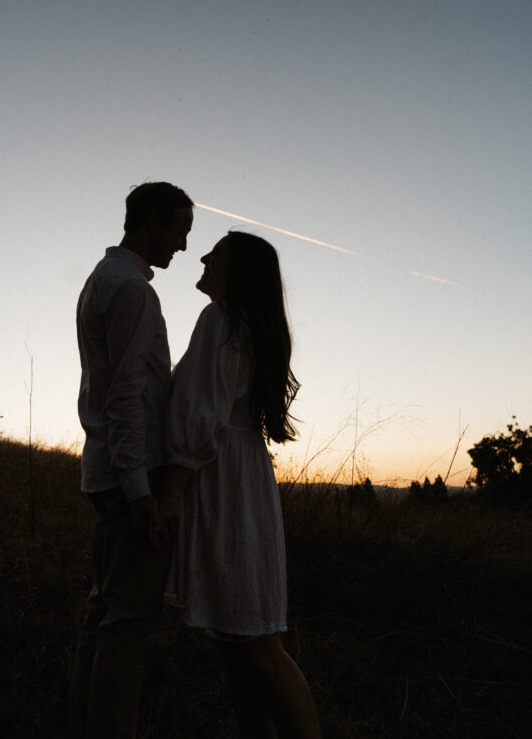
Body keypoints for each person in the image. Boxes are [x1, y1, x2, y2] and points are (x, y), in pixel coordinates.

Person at [160, 231, 321, 739]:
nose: (204, 257)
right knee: (237, 642)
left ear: (241, 270)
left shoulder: (222, 321)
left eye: (218, 253)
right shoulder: (247, 326)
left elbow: (201, 415)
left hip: (224, 482)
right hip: (241, 477)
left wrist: (170, 491)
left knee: (256, 643)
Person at [70, 182, 194, 739]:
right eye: (179, 231)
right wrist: (142, 489)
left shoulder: (103, 280)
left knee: (104, 615)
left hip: (106, 471)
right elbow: (125, 395)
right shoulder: (133, 291)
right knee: (126, 623)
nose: (183, 247)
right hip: (128, 478)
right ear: (151, 223)